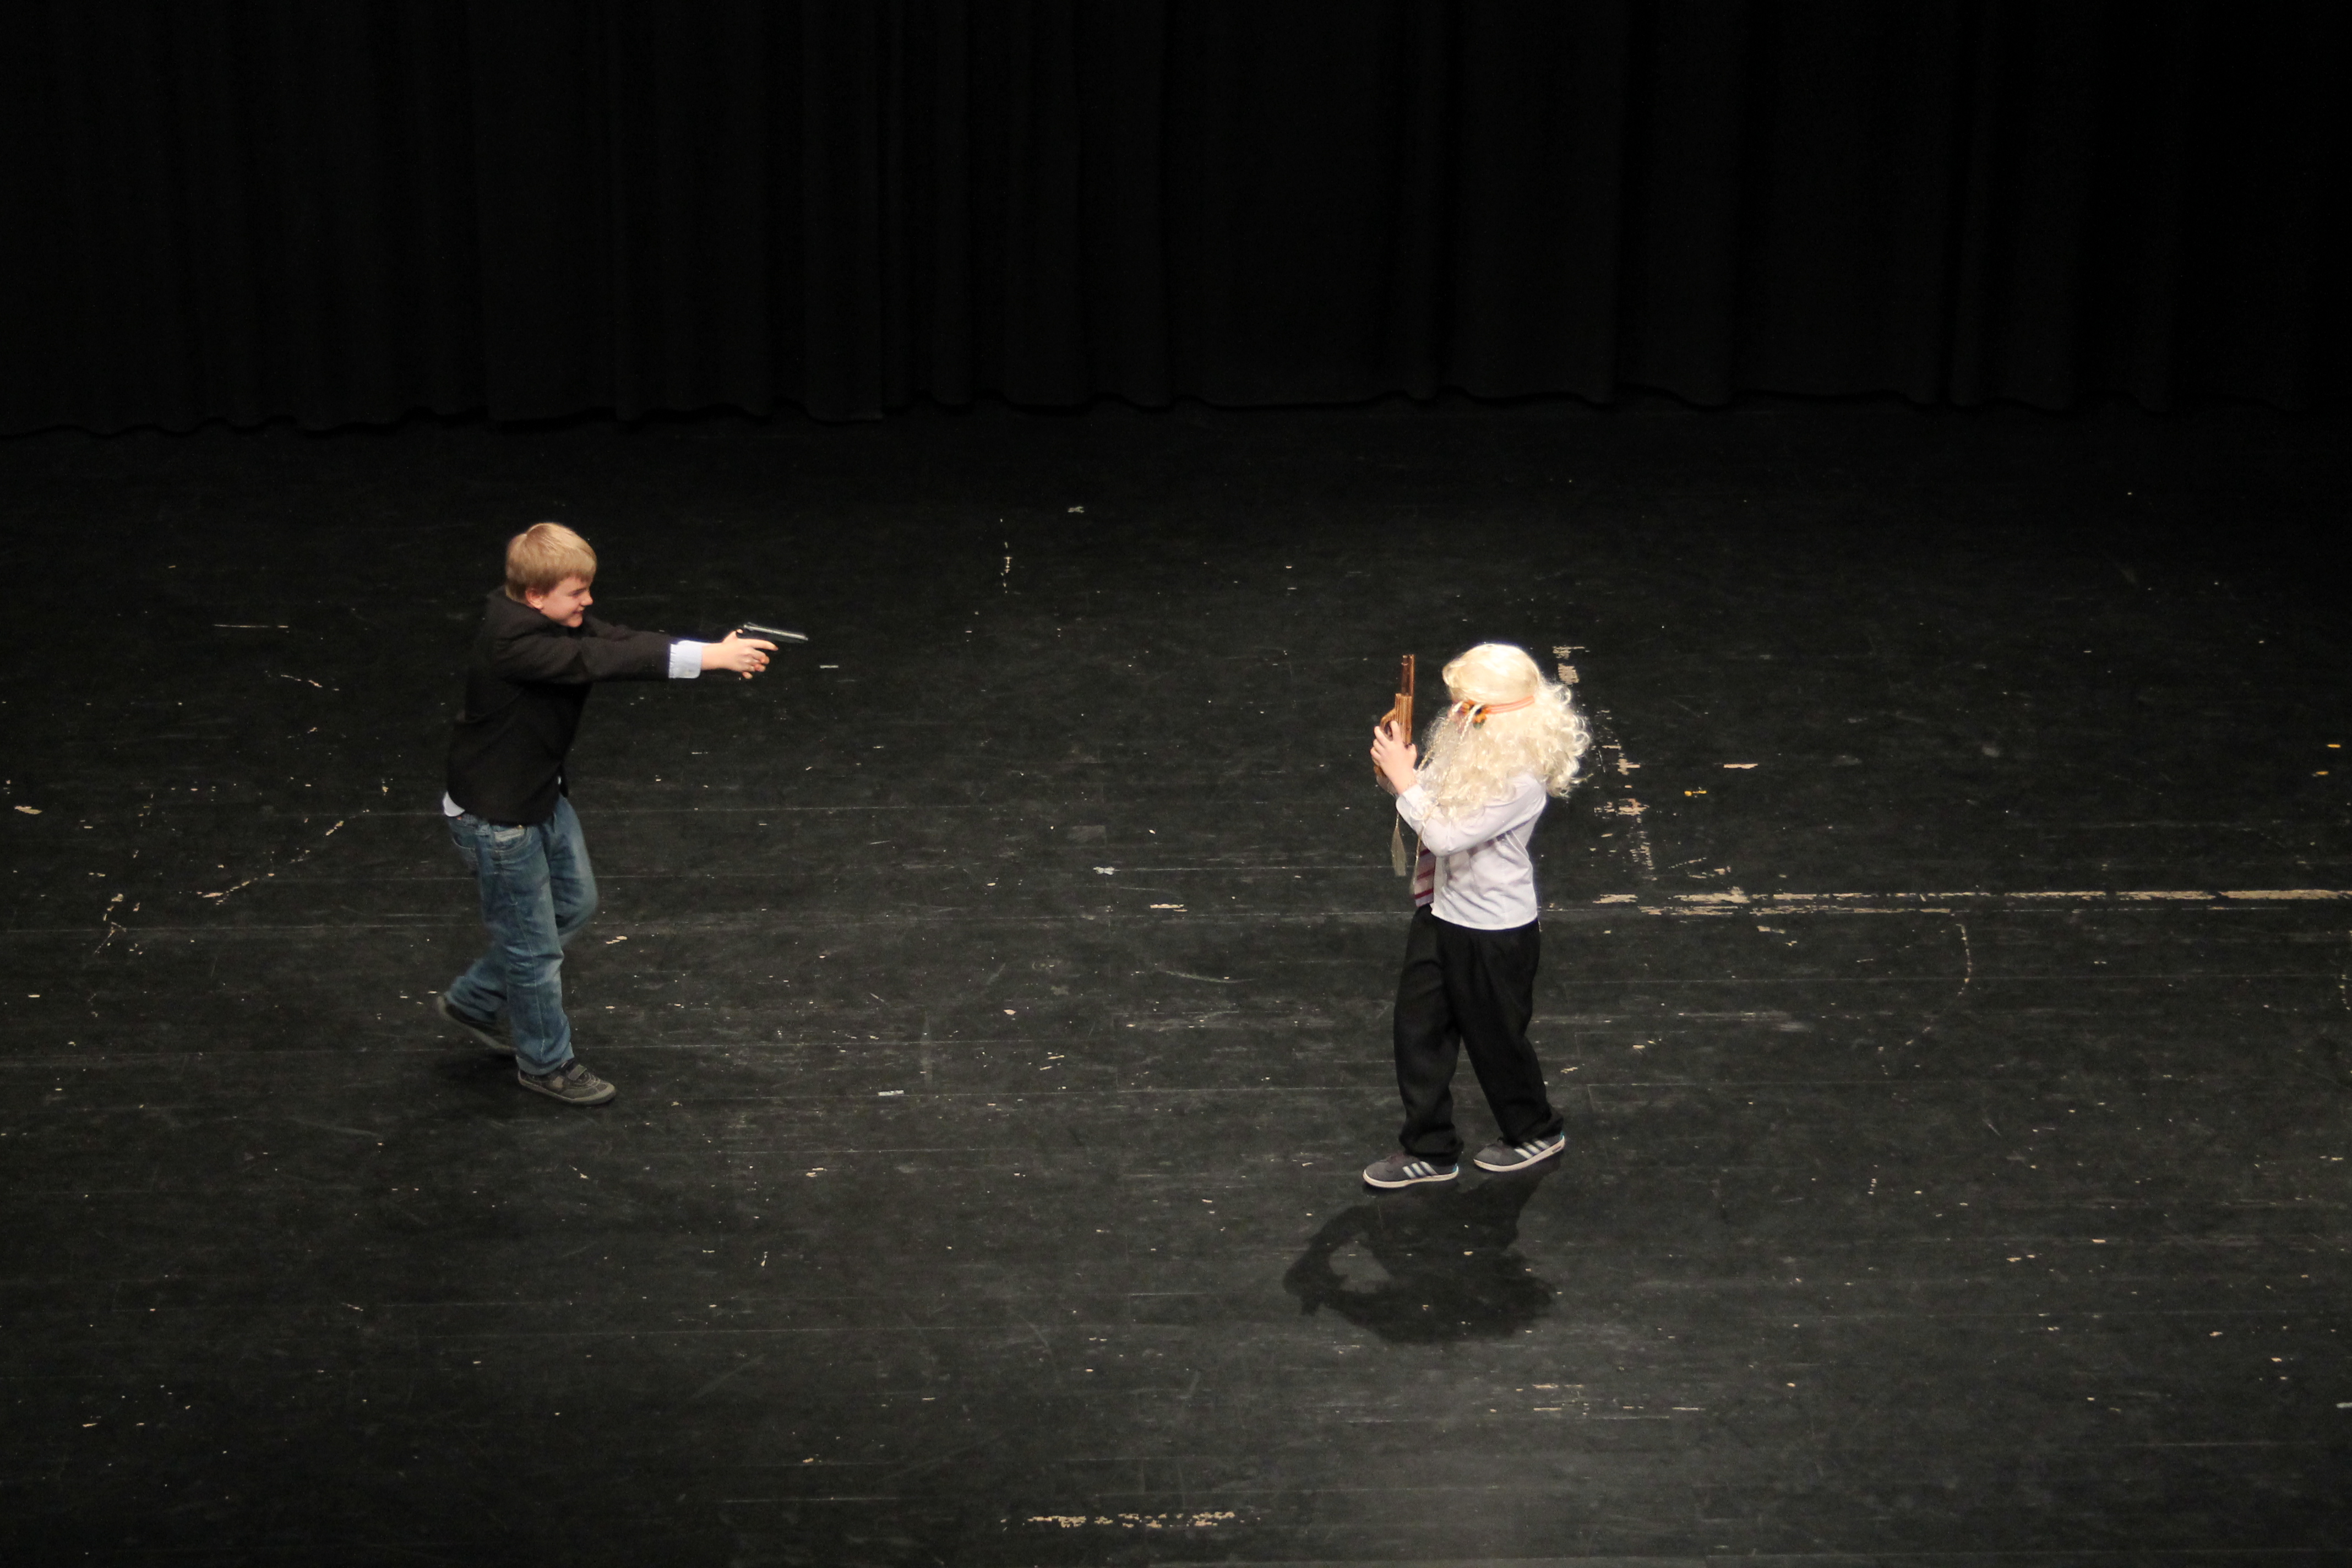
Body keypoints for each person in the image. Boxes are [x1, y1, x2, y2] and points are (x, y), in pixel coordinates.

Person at [432, 522, 773, 1106]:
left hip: (536, 795)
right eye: (576, 592)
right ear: (535, 595)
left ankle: (473, 1000)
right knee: (534, 952)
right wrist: (714, 658)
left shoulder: (542, 616)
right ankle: (546, 1064)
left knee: (575, 904)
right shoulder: (517, 644)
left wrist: (710, 655)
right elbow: (602, 659)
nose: (587, 601)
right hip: (499, 819)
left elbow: (617, 639)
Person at [1362, 643, 1589, 1187]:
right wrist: (1400, 771)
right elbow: (1429, 797)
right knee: (1419, 1032)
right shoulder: (1474, 750)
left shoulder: (1521, 775)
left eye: (1470, 706)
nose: (1458, 715)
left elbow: (1444, 835)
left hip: (1493, 931)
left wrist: (1405, 780)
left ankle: (1535, 1130)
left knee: (1496, 1041)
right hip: (1441, 914)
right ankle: (1430, 1147)